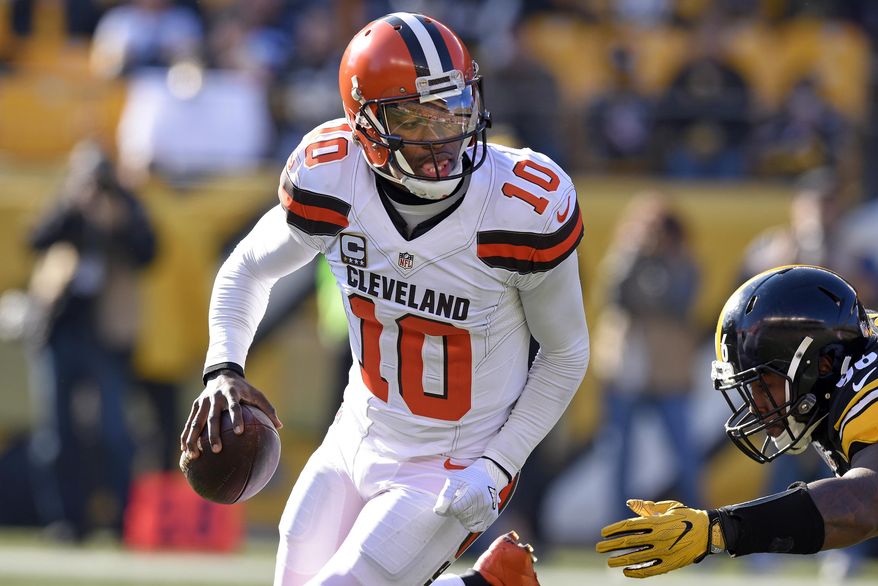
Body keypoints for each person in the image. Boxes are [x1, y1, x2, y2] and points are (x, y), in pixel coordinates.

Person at [180, 12, 589, 586]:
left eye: (452, 107)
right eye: (416, 118)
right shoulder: (335, 177)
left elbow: (566, 352)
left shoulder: (519, 206)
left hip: (453, 460)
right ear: (366, 125)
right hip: (357, 432)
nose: (443, 132)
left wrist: (498, 467)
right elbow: (248, 268)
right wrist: (222, 366)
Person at [596, 264, 878, 578]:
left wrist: (723, 529)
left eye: (764, 385)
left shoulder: (865, 393)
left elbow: (864, 504)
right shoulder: (849, 352)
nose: (756, 406)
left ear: (822, 365)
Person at [26, 140, 157, 540]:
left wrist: (117, 221)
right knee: (57, 434)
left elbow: (150, 252)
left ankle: (120, 520)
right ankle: (66, 520)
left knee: (115, 433)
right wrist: (71, 206)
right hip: (62, 329)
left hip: (107, 334)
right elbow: (36, 239)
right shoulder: (69, 205)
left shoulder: (125, 208)